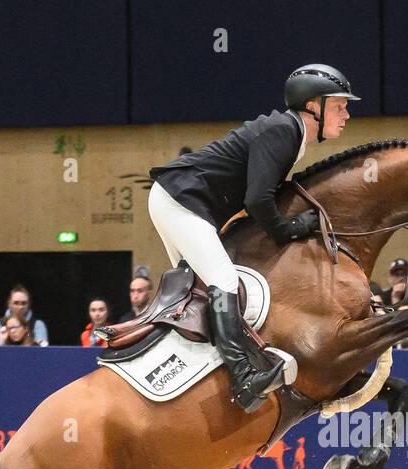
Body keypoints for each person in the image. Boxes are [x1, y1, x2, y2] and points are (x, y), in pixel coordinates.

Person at [147, 64, 358, 411]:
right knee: (223, 281)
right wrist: (288, 229)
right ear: (313, 106)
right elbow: (257, 200)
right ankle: (244, 379)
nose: (347, 114)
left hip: (178, 199)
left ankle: (204, 371)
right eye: (339, 106)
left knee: (201, 290)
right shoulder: (283, 130)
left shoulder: (290, 134)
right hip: (181, 199)